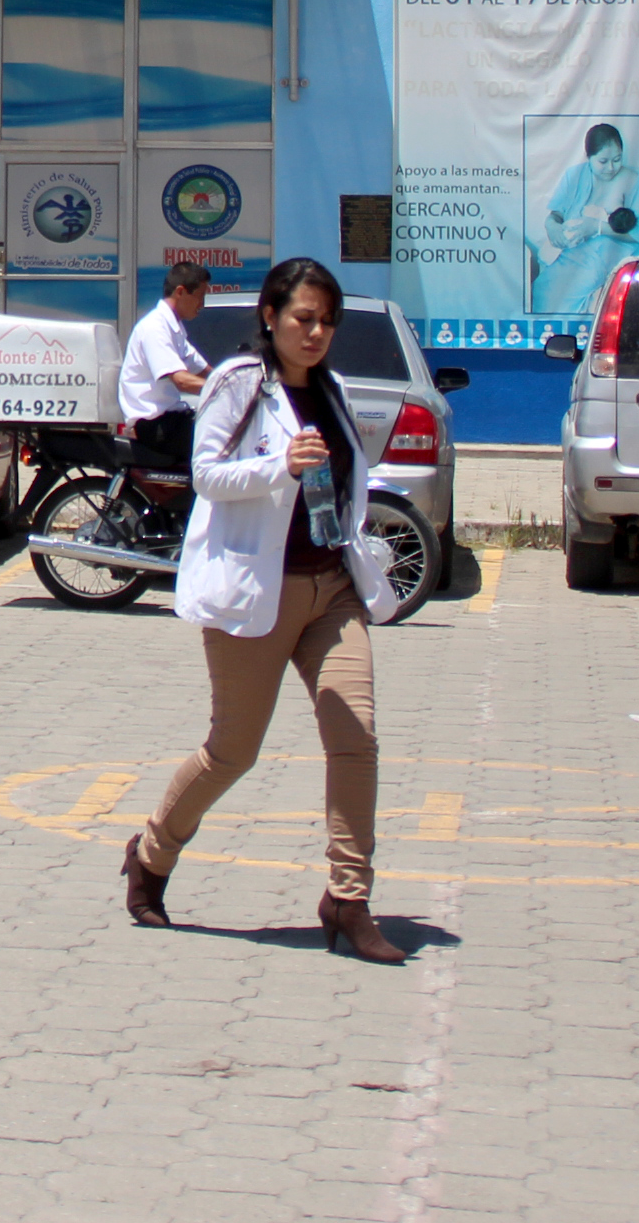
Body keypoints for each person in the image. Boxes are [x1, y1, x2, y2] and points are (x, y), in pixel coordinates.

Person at [121, 257, 410, 962]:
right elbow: (208, 475)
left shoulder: (333, 392)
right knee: (233, 752)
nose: (316, 333)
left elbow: (348, 484)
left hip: (330, 588)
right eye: (303, 318)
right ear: (271, 318)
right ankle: (152, 853)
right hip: (258, 592)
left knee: (355, 736)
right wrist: (279, 467)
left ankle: (348, 897)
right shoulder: (240, 383)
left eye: (326, 321)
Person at [533, 123, 639, 317]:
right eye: (603, 161)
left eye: (617, 160)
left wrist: (598, 227)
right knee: (543, 289)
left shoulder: (634, 181)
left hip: (609, 252)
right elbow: (556, 214)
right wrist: (552, 227)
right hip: (572, 250)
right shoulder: (573, 175)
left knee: (573, 287)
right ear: (588, 157)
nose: (610, 168)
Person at [117, 261, 213, 464]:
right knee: (222, 440)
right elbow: (182, 380)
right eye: (200, 296)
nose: (202, 305)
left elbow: (205, 371)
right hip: (155, 425)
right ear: (180, 292)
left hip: (171, 421)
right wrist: (224, 387)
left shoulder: (174, 330)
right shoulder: (155, 328)